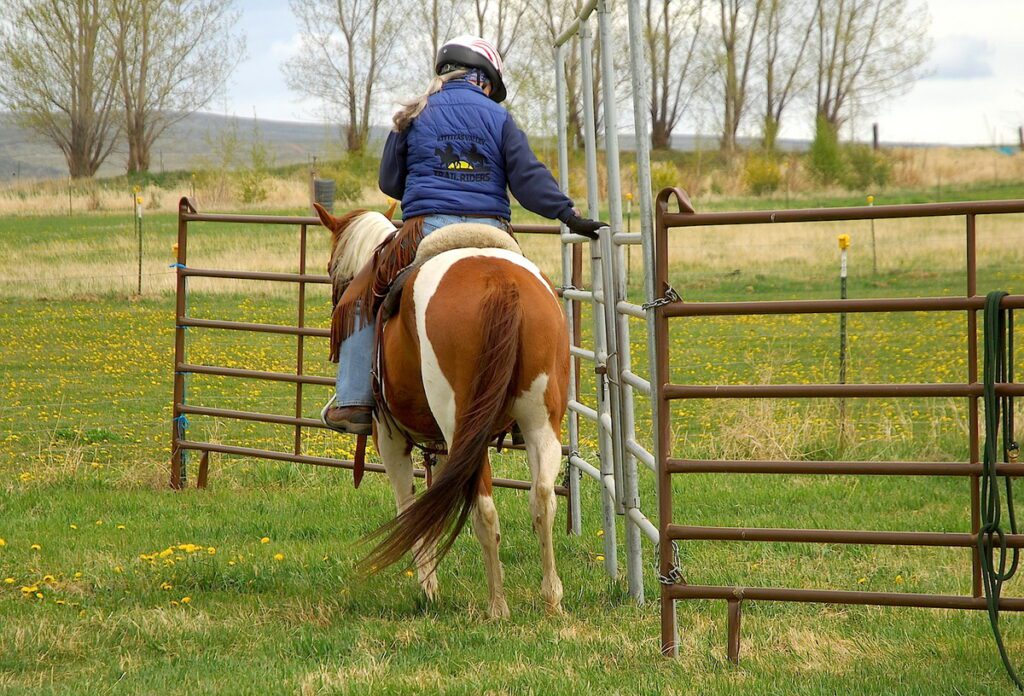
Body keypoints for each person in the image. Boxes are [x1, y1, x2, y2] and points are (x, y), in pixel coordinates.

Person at [323, 34, 605, 435]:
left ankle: (353, 401)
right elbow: (527, 179)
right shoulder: (499, 118)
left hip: (427, 228)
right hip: (490, 228)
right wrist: (567, 214)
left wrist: (428, 187)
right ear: (484, 81)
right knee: (536, 293)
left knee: (361, 294)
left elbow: (389, 182)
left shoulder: (412, 114)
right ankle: (537, 404)